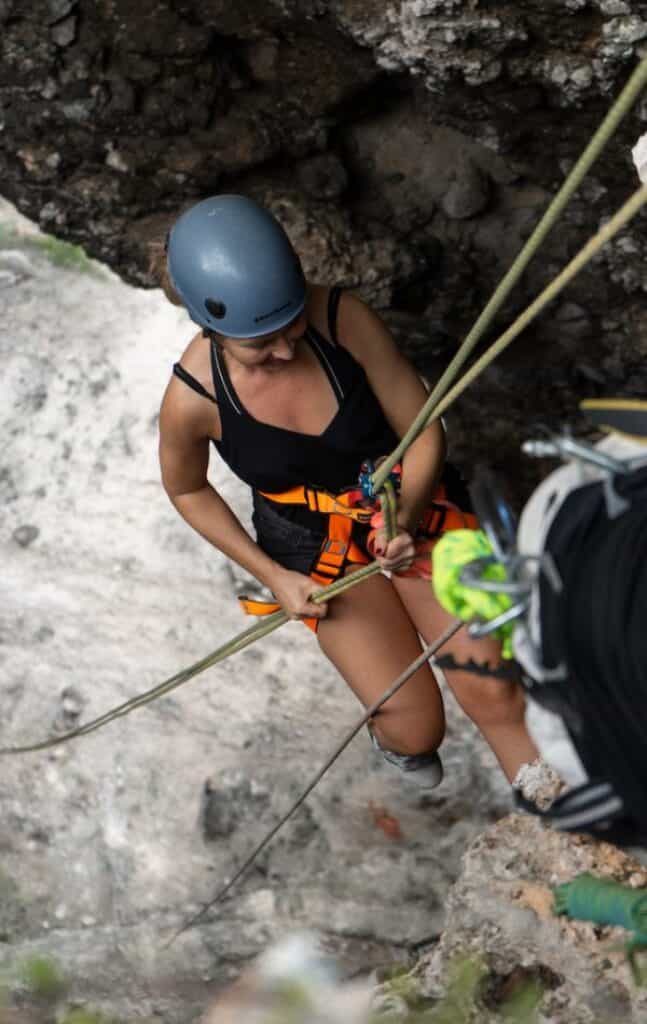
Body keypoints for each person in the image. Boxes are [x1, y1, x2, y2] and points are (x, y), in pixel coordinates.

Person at [157, 194, 545, 795]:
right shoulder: (193, 399)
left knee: (492, 685)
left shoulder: (341, 321)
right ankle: (397, 741)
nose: (286, 350)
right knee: (414, 728)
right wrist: (273, 577)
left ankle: (566, 814)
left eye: (290, 325)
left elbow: (423, 432)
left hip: (412, 504)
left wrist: (408, 516)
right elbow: (186, 489)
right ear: (209, 328)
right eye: (260, 344)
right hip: (312, 546)